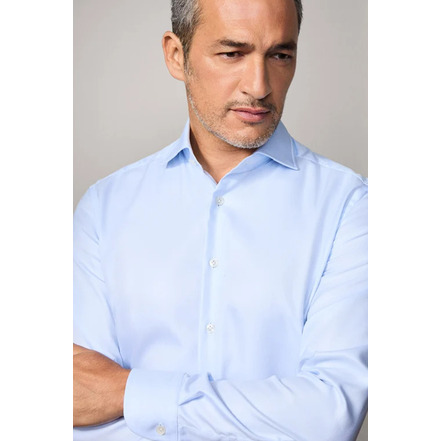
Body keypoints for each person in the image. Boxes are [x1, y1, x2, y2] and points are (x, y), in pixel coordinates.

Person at [73, 0, 368, 440]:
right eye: (232, 53)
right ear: (177, 55)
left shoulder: (351, 206)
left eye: (280, 55)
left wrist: (128, 392)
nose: (259, 85)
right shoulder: (104, 208)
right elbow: (80, 402)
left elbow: (328, 417)